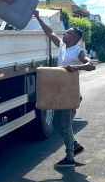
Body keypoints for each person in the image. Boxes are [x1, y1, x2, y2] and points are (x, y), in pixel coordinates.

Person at [33, 11, 96, 168]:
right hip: (59, 92)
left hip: (71, 93)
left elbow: (91, 65)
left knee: (65, 125)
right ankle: (75, 146)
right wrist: (38, 17)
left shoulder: (78, 51)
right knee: (55, 122)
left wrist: (75, 67)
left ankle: (70, 158)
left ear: (75, 37)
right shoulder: (62, 45)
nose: (65, 34)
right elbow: (49, 32)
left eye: (68, 33)